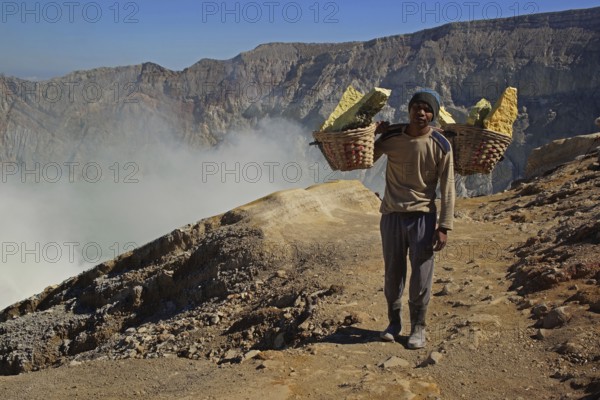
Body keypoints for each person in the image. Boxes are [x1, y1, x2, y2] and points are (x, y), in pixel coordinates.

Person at [373, 88, 455, 349]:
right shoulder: (392, 137)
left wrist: (444, 226)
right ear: (409, 109)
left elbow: (448, 186)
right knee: (392, 273)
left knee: (421, 276)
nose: (421, 113)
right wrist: (371, 133)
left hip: (422, 217)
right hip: (392, 216)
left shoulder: (441, 145)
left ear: (433, 114)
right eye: (417, 107)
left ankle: (418, 327)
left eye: (427, 109)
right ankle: (393, 322)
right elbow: (366, 158)